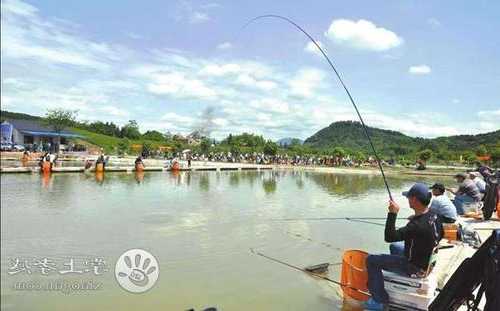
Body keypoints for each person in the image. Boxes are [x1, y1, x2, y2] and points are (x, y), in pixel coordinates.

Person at [364, 183, 443, 310]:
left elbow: (389, 237)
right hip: (428, 262)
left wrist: (392, 213)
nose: (407, 200)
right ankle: (387, 278)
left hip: (415, 268)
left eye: (408, 197)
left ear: (414, 200)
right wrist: (416, 218)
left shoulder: (416, 226)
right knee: (395, 247)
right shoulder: (434, 214)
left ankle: (379, 301)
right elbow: (440, 234)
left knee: (371, 260)